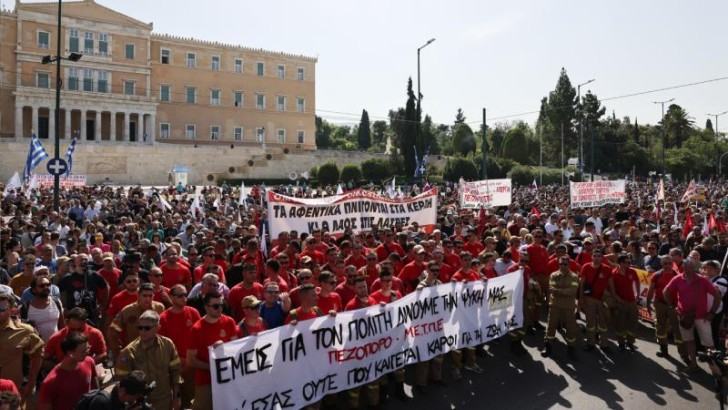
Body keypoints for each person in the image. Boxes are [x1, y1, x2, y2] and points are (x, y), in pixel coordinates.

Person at [116, 309, 181, 410]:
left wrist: (176, 398)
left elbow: (176, 372)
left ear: (158, 328)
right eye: (140, 328)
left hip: (163, 402)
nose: (143, 331)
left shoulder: (168, 345)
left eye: (147, 328)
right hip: (139, 405)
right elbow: (122, 382)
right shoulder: (128, 352)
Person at [664, 259, 721, 370]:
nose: (693, 269)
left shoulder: (703, 280)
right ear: (684, 268)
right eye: (690, 267)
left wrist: (712, 313)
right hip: (684, 316)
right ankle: (693, 364)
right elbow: (666, 292)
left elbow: (717, 297)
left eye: (693, 267)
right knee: (689, 340)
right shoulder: (677, 279)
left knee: (709, 344)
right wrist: (672, 306)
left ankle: (716, 369)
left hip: (702, 317)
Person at [187, 291, 238, 410]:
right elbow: (191, 360)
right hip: (205, 381)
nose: (219, 308)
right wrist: (213, 367)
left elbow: (235, 347)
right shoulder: (197, 329)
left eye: (221, 305)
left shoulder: (229, 322)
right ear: (206, 307)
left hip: (227, 378)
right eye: (215, 306)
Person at [159, 284, 201, 409]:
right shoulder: (164, 318)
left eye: (185, 295)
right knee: (175, 400)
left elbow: (201, 334)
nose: (184, 298)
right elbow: (162, 345)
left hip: (192, 365)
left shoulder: (193, 312)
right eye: (180, 295)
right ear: (171, 297)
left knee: (191, 399)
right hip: (174, 366)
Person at [0, 293, 44, 403]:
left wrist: (31, 383)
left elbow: (37, 356)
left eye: (1, 309)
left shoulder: (25, 331)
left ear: (11, 310)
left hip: (11, 394)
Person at [38, 332, 98, 410]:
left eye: (88, 348)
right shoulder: (50, 382)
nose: (87, 352)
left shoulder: (89, 362)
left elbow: (96, 390)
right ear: (70, 353)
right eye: (83, 351)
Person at [107, 283, 165, 361]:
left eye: (150, 296)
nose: (147, 299)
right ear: (138, 295)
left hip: (155, 352)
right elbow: (112, 331)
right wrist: (118, 351)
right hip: (133, 354)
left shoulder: (160, 308)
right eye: (144, 296)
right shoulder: (128, 311)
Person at [43, 307, 107, 373]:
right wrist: (61, 367)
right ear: (67, 322)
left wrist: (86, 364)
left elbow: (103, 353)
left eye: (80, 329)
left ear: (85, 322)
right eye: (72, 329)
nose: (76, 332)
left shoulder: (95, 334)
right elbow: (44, 360)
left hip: (87, 370)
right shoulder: (56, 338)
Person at [541, 255, 579, 360]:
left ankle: (571, 348)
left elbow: (572, 291)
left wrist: (558, 291)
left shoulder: (574, 277)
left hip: (568, 306)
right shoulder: (554, 275)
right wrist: (563, 291)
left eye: (565, 264)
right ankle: (548, 346)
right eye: (561, 264)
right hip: (555, 305)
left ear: (569, 264)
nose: (562, 266)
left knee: (570, 328)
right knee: (551, 326)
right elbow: (551, 288)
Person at [645, 255, 683, 359]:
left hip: (673, 305)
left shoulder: (677, 276)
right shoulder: (657, 275)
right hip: (660, 304)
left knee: (677, 330)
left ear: (672, 264)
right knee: (661, 328)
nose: (667, 265)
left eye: (669, 263)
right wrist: (648, 304)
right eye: (665, 263)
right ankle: (663, 350)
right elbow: (651, 290)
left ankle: (683, 355)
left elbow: (682, 292)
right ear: (661, 264)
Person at [579, 248, 613, 354]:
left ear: (602, 258)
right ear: (592, 257)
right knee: (591, 323)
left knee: (603, 323)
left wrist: (614, 297)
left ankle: (605, 345)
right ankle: (591, 343)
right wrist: (580, 298)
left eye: (599, 256)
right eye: (595, 256)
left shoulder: (607, 269)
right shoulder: (586, 267)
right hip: (589, 299)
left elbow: (611, 285)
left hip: (602, 299)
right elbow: (582, 284)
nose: (597, 258)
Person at [74, 370, 149, 410]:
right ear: (123, 391)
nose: (134, 400)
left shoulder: (119, 385)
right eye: (134, 397)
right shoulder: (101, 402)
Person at [610, 253, 640, 351]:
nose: (628, 264)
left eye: (629, 262)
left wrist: (637, 295)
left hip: (631, 302)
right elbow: (612, 290)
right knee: (620, 323)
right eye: (626, 262)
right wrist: (619, 300)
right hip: (620, 303)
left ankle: (630, 342)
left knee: (632, 322)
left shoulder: (632, 272)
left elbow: (637, 282)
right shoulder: (614, 273)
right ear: (620, 263)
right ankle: (621, 342)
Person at [703, 260, 728, 353]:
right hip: (705, 311)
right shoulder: (707, 279)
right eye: (704, 268)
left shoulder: (721, 280)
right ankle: (706, 352)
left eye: (708, 268)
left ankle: (714, 355)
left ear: (716, 270)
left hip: (714, 312)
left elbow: (717, 295)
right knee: (705, 334)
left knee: (712, 333)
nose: (705, 270)